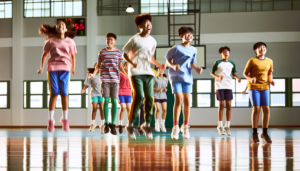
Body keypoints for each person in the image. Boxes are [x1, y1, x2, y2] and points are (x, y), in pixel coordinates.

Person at [122, 13, 165, 140]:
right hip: (135, 72)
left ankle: (146, 124)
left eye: (150, 23)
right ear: (140, 26)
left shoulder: (153, 41)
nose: (149, 25)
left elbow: (150, 57)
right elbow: (123, 54)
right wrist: (131, 63)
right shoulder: (134, 39)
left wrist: (158, 64)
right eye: (146, 23)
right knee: (139, 96)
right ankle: (129, 125)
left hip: (148, 72)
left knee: (149, 98)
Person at [37, 21, 77, 132]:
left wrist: (73, 68)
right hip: (52, 69)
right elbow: (44, 55)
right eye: (58, 25)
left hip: (65, 69)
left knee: (64, 93)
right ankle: (50, 121)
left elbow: (73, 56)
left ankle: (65, 120)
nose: (61, 26)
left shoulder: (70, 42)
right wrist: (41, 67)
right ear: (56, 28)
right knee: (54, 93)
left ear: (65, 30)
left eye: (63, 25)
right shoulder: (50, 41)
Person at [165, 27, 203, 140]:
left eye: (191, 34)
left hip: (187, 77)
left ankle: (185, 126)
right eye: (187, 34)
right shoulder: (176, 48)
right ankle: (175, 126)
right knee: (179, 99)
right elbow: (167, 59)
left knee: (187, 101)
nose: (189, 36)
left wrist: (196, 69)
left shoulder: (194, 50)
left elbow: (191, 63)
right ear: (181, 36)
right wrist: (172, 66)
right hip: (176, 76)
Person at [92, 33, 127, 135]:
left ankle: (112, 124)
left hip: (115, 80)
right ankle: (106, 124)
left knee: (114, 102)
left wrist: (126, 75)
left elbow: (120, 67)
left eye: (111, 39)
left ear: (115, 41)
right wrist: (93, 74)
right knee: (106, 101)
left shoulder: (118, 52)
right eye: (107, 39)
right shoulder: (102, 52)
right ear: (105, 41)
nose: (109, 41)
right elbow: (98, 66)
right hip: (105, 80)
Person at [243, 42, 275, 143]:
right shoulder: (252, 61)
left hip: (265, 87)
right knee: (256, 108)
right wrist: (250, 78)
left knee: (266, 109)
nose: (262, 49)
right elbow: (245, 73)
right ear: (255, 50)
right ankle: (254, 133)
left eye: (264, 47)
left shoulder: (270, 61)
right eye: (260, 48)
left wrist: (271, 80)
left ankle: (265, 133)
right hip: (253, 87)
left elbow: (269, 73)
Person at [210, 46, 241, 136]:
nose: (226, 53)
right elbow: (212, 73)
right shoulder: (218, 62)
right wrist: (218, 77)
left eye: (227, 51)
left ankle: (227, 126)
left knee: (229, 106)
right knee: (221, 105)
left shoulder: (232, 63)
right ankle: (219, 126)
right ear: (221, 54)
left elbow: (233, 73)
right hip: (219, 85)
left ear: (229, 54)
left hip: (228, 85)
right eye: (224, 51)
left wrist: (237, 77)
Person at [81, 63, 105, 133]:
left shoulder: (103, 75)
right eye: (97, 66)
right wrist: (83, 90)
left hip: (101, 94)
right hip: (94, 94)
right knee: (94, 108)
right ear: (95, 67)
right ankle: (93, 124)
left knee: (102, 109)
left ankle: (103, 125)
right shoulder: (91, 75)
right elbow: (87, 84)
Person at [118, 62, 131, 134]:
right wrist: (116, 96)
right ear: (124, 66)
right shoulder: (120, 74)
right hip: (121, 92)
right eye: (126, 65)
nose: (128, 66)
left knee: (129, 108)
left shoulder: (131, 74)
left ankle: (129, 124)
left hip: (128, 93)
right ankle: (120, 125)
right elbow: (117, 85)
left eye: (129, 65)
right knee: (123, 108)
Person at [153, 67, 168, 132]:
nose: (161, 70)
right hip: (156, 96)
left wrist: (166, 89)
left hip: (163, 96)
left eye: (162, 70)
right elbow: (152, 87)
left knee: (164, 110)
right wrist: (158, 89)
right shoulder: (155, 78)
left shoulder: (166, 79)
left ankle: (162, 124)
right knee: (158, 109)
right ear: (157, 71)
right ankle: (157, 124)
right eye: (159, 69)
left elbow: (165, 87)